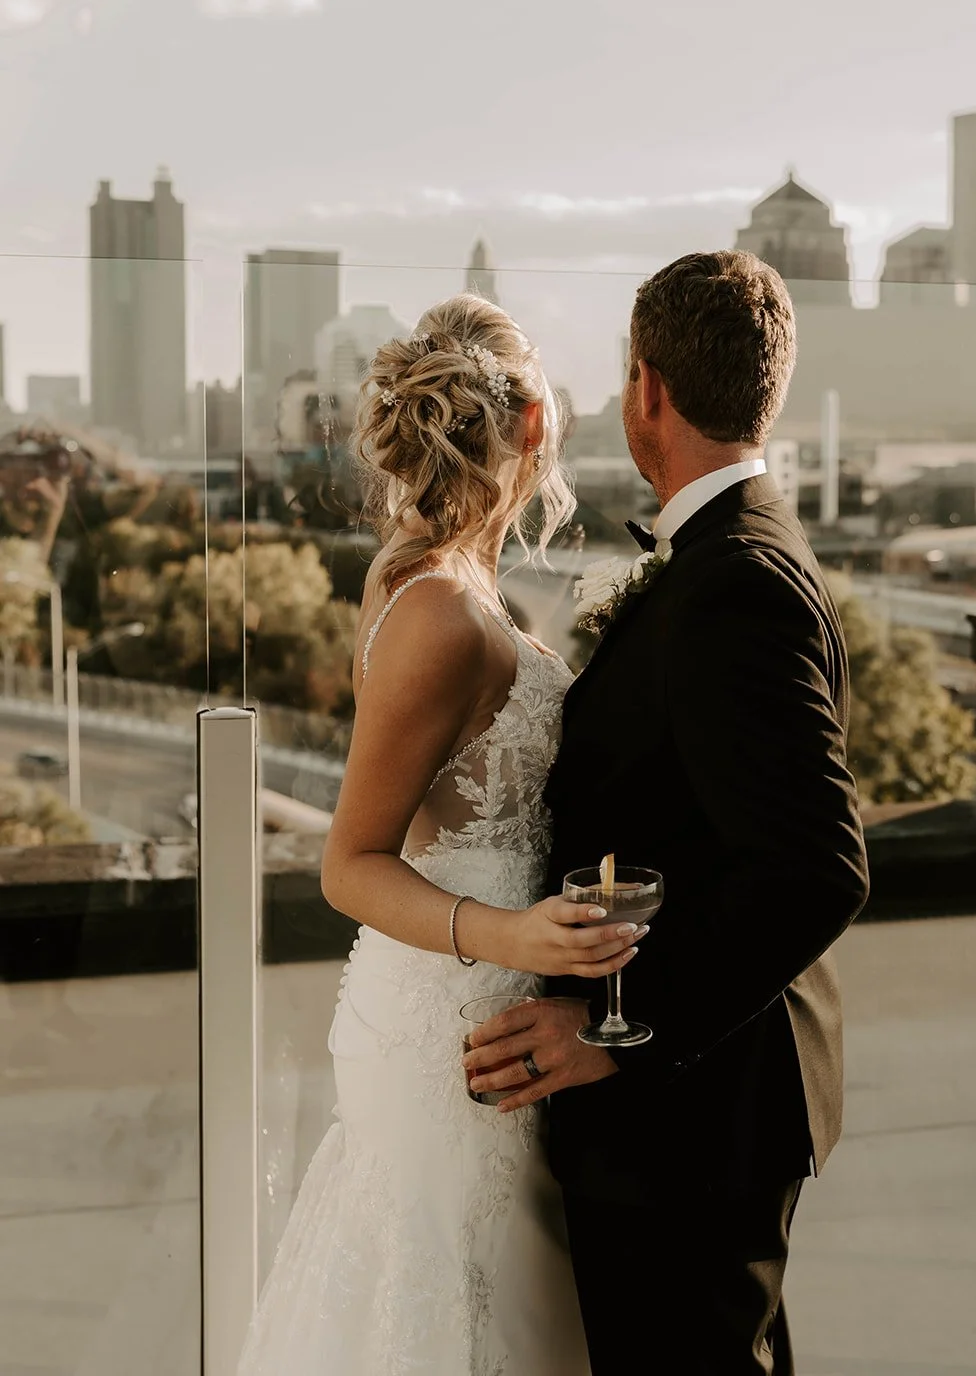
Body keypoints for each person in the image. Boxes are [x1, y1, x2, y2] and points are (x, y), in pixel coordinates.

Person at [463, 252, 869, 1374]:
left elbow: (816, 869)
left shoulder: (731, 578)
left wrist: (612, 1027)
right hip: (705, 1112)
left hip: (695, 1118)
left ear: (646, 388)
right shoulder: (736, 548)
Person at [236, 295, 626, 1374]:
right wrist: (520, 942)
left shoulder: (456, 585)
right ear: (537, 424)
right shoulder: (435, 611)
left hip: (484, 1024)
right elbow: (349, 863)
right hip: (441, 1031)